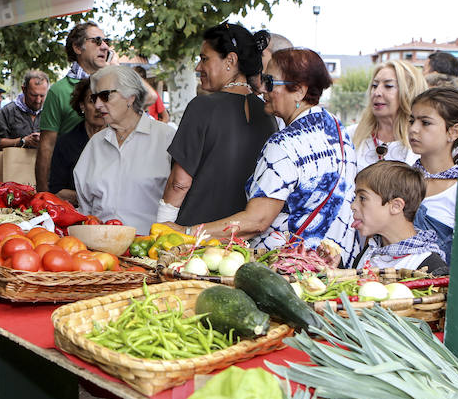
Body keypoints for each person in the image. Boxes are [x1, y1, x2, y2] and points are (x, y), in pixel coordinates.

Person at [175, 48, 358, 266]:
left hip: (290, 269)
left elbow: (257, 221)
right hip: (336, 264)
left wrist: (186, 232)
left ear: (299, 91)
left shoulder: (284, 143)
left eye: (270, 82)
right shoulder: (338, 130)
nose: (262, 89)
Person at [157, 22, 278, 228]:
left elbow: (179, 182)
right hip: (241, 240)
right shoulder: (267, 114)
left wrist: (162, 225)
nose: (198, 67)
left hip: (194, 239)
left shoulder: (202, 107)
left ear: (230, 60)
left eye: (204, 59)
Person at [73, 66, 174, 234]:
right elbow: (85, 205)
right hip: (99, 248)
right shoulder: (96, 143)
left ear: (131, 97)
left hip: (148, 250)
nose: (97, 105)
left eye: (105, 96)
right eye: (94, 97)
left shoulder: (166, 138)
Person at [36, 21, 111, 191]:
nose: (105, 47)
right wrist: (42, 193)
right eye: (97, 41)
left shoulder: (116, 86)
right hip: (71, 184)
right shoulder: (58, 91)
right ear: (78, 47)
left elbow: (149, 98)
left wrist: (117, 68)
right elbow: (46, 146)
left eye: (107, 42)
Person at [348, 160, 447, 274]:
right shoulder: (368, 253)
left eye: (362, 198)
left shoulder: (429, 266)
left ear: (396, 206)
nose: (353, 206)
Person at [410, 87, 458, 263]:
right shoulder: (398, 179)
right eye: (412, 120)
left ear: (453, 132)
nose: (413, 129)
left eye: (425, 122)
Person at [350, 60, 427, 168]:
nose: (377, 92)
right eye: (374, 85)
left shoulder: (425, 140)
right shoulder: (350, 135)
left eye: (388, 86)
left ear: (409, 92)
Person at [48, 79, 106, 204]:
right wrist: (93, 199)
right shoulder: (65, 143)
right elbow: (57, 191)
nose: (99, 107)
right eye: (92, 101)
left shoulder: (120, 140)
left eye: (105, 99)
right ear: (82, 105)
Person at [0, 70, 49, 150]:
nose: (38, 100)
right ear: (24, 90)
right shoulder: (8, 111)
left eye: (42, 96)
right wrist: (22, 141)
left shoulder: (50, 112)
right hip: (15, 161)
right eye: (34, 95)